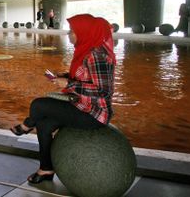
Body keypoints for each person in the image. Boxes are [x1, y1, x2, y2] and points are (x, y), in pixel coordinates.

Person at [10, 14, 116, 184]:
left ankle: (26, 125)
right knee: (44, 125)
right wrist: (64, 76)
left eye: (72, 31)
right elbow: (85, 78)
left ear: (84, 33)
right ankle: (46, 169)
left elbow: (103, 91)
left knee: (38, 105)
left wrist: (68, 83)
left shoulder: (97, 56)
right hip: (79, 104)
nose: (69, 34)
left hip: (94, 114)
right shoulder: (85, 51)